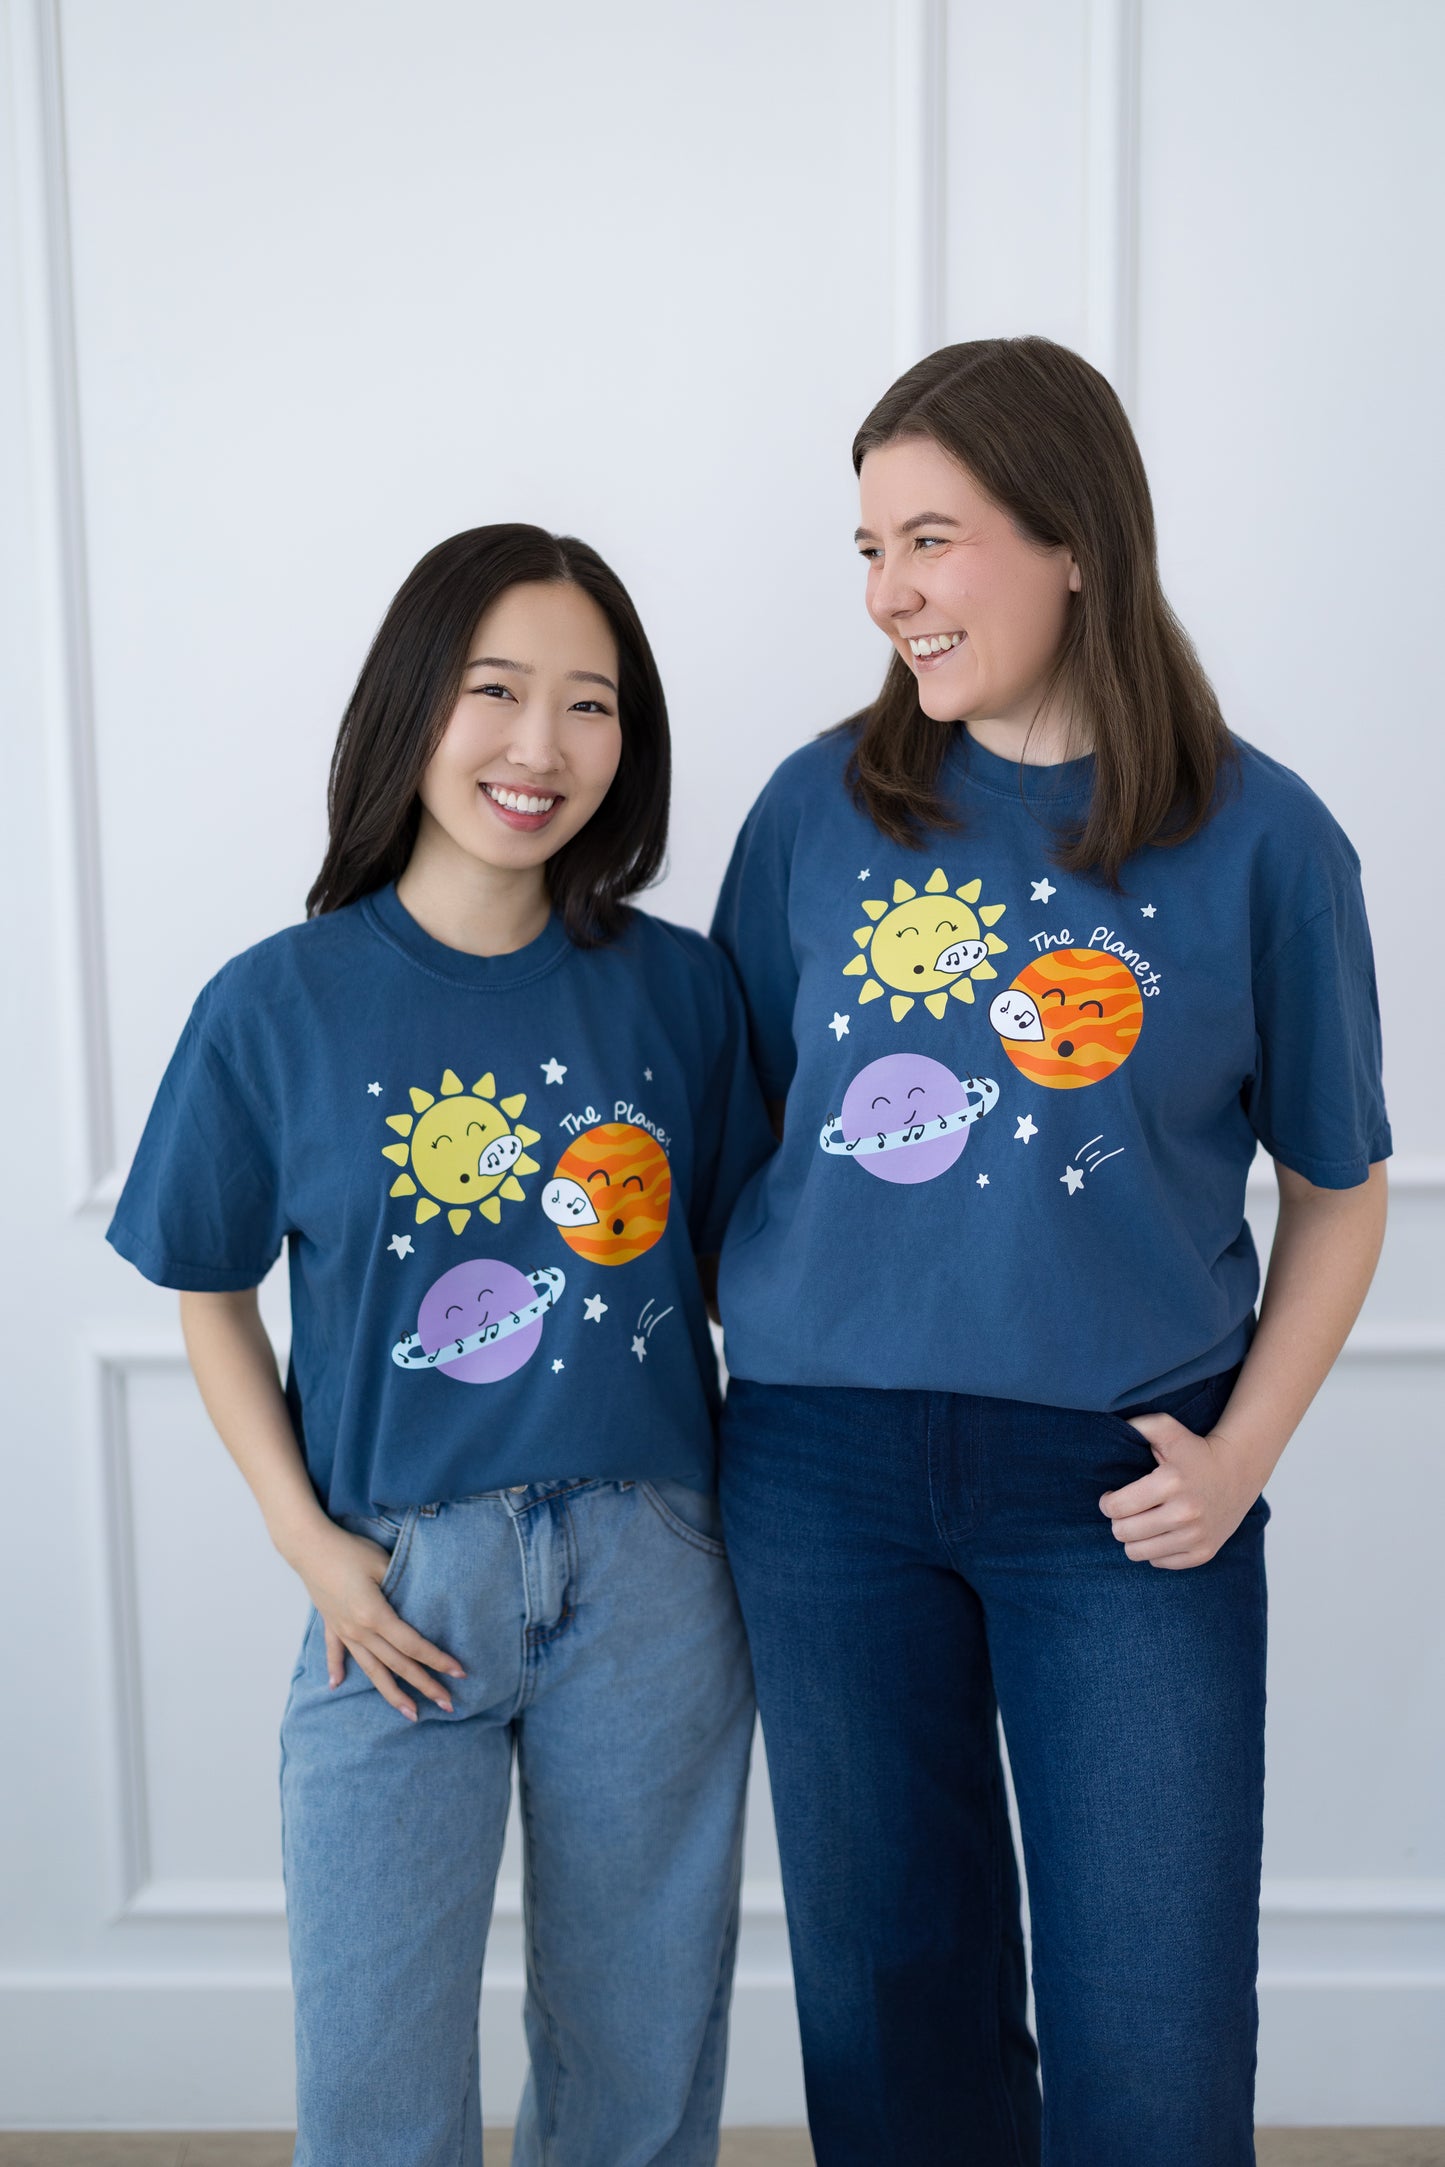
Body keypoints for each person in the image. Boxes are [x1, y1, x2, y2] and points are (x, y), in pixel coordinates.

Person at [710, 337, 1390, 2167]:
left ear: (1073, 536)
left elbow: (1338, 1190)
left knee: (1152, 2047)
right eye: (867, 550)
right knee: (891, 2025)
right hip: (818, 1478)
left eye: (929, 539)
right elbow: (736, 1134)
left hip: (1123, 1483)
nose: (891, 595)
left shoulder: (1266, 842)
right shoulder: (811, 815)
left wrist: (1240, 1461)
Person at [107, 525, 773, 2167]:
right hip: (393, 1585)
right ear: (412, 704)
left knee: (638, 2059)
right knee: (376, 2067)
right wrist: (313, 1549)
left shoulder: (683, 997)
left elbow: (764, 1274)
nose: (540, 748)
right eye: (495, 691)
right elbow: (208, 1286)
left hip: (656, 1574)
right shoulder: (275, 1005)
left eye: (590, 705)